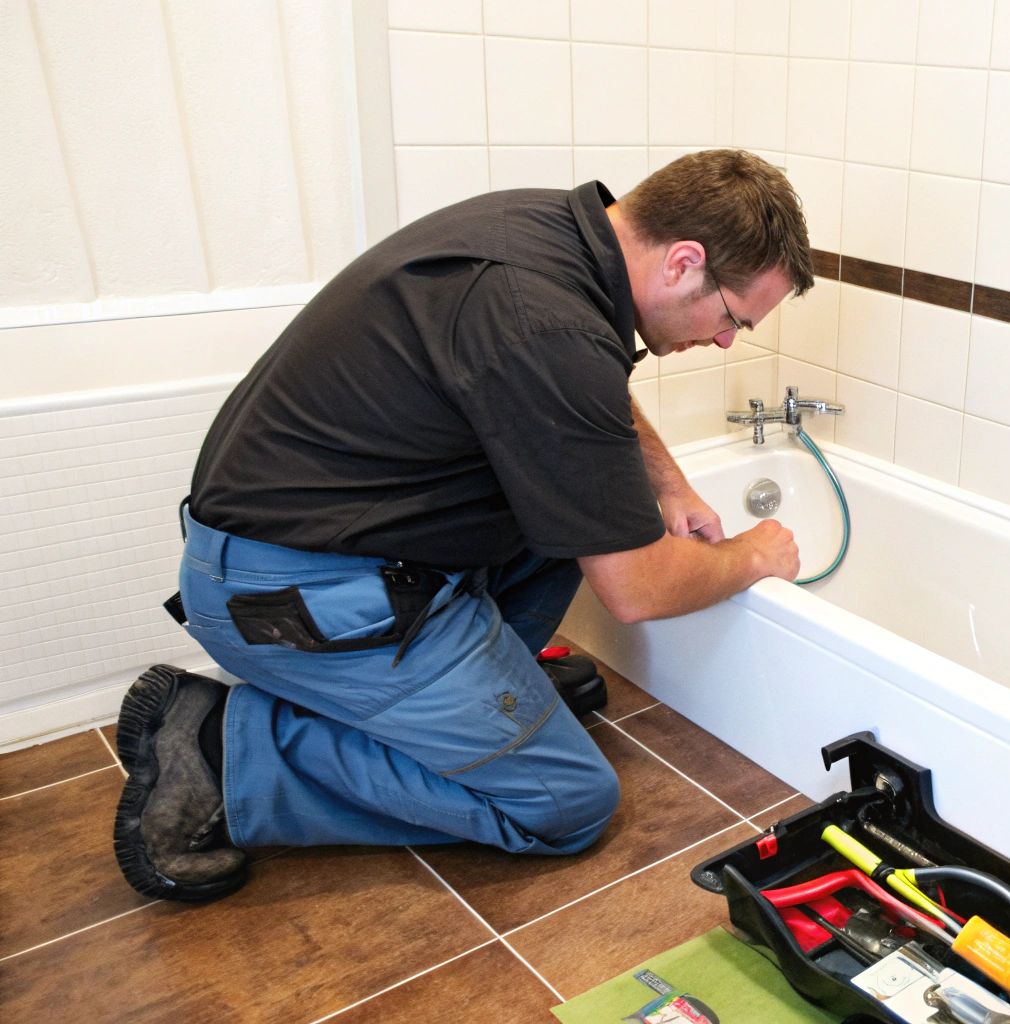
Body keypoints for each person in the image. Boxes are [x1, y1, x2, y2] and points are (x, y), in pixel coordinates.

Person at [112, 149, 813, 903]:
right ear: (682, 263)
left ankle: (480, 699)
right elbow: (637, 590)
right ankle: (225, 747)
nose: (725, 341)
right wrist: (752, 556)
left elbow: (585, 392)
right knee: (567, 804)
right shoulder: (546, 320)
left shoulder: (550, 233)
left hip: (319, 552)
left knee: (598, 512)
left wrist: (668, 485)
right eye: (735, 317)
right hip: (295, 595)